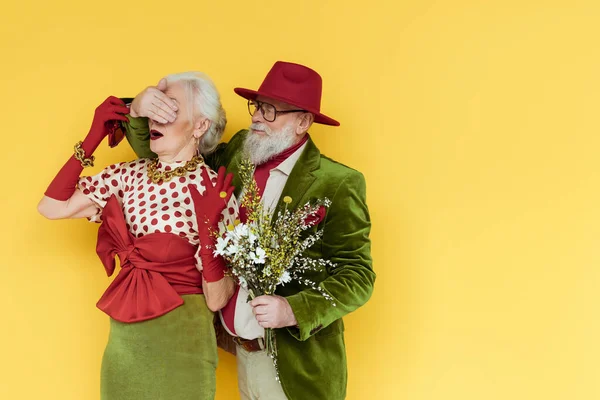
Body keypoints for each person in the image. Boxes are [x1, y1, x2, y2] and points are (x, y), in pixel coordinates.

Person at [124, 61, 375, 400]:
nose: (257, 117)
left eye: (271, 111)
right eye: (257, 106)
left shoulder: (339, 182)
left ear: (303, 121)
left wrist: (293, 310)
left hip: (294, 365)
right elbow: (171, 154)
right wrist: (138, 111)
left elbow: (358, 276)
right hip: (239, 351)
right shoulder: (242, 149)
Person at [37, 72, 238, 400]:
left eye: (171, 108)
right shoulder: (128, 176)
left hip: (183, 350)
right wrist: (92, 137)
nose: (156, 118)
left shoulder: (214, 190)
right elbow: (52, 207)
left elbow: (218, 299)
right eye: (154, 108)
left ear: (200, 126)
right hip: (125, 350)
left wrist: (208, 234)